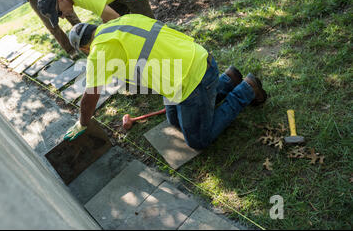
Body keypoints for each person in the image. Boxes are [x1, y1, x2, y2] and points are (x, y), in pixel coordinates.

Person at [63, 14, 267, 150]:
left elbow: (90, 97)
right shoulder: (121, 21)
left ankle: (246, 90)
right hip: (190, 66)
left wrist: (82, 123)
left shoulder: (99, 52)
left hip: (191, 79)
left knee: (197, 141)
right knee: (174, 121)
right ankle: (227, 80)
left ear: (84, 49)